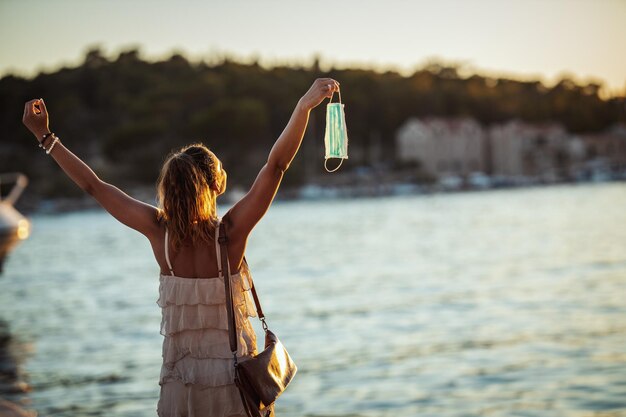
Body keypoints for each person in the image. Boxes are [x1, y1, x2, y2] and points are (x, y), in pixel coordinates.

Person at [22, 78, 340, 417]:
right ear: (215, 185)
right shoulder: (229, 235)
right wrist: (303, 107)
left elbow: (94, 186)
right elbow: (276, 166)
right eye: (221, 169)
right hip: (232, 391)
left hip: (180, 392)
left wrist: (45, 137)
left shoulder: (160, 234)